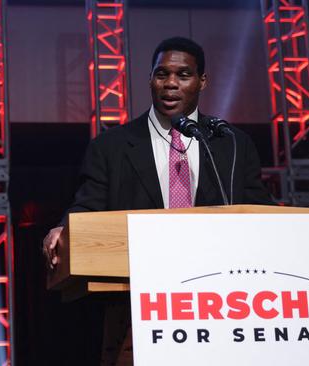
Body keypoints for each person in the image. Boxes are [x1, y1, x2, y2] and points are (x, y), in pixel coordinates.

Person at [42, 36, 272, 365]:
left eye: (183, 75)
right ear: (150, 78)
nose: (171, 84)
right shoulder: (112, 146)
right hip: (136, 311)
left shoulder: (232, 143)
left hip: (222, 307)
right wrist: (63, 228)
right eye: (162, 74)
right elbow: (87, 205)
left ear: (202, 81)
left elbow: (260, 211)